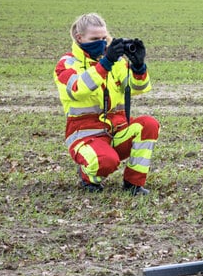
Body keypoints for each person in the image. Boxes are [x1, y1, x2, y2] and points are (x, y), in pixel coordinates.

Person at [54, 13, 159, 195]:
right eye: (95, 39)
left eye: (104, 38)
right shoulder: (66, 64)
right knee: (106, 161)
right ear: (80, 38)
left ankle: (133, 183)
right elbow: (78, 88)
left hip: (116, 129)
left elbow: (138, 88)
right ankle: (89, 177)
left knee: (148, 124)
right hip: (84, 135)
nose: (102, 43)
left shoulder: (115, 62)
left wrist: (139, 67)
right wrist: (105, 63)